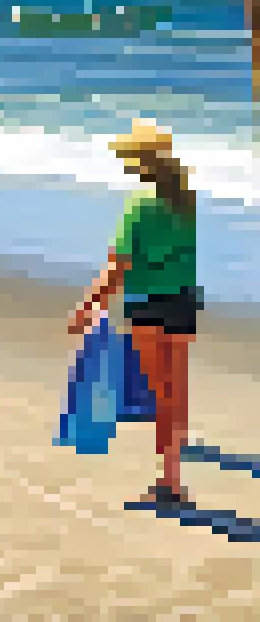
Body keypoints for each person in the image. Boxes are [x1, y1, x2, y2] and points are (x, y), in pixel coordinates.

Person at [68, 119, 201, 509]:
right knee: (177, 394)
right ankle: (174, 477)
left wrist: (90, 304)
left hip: (147, 304)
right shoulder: (185, 199)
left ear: (139, 161)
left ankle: (169, 485)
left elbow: (118, 267)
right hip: (184, 302)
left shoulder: (139, 205)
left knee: (161, 396)